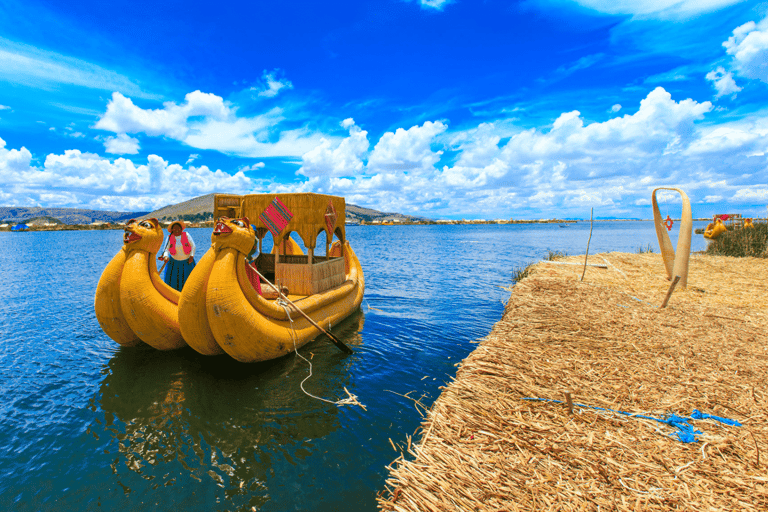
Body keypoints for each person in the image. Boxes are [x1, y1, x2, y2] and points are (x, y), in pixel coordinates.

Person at [159, 220, 196, 291]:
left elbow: (193, 246)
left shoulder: (187, 235)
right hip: (174, 262)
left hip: (187, 262)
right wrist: (166, 256)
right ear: (172, 230)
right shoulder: (169, 237)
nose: (177, 230)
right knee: (173, 281)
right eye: (175, 228)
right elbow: (166, 249)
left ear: (181, 229)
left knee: (188, 279)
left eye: (178, 228)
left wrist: (191, 256)